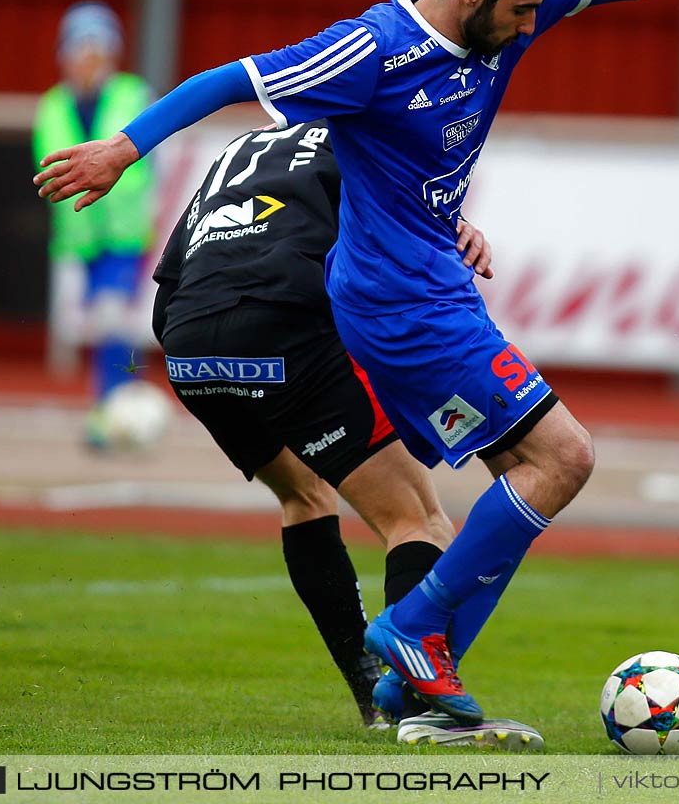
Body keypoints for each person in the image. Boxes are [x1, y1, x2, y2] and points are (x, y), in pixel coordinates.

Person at [36, 0, 679, 731]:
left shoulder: (519, 1)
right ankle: (411, 631)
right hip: (400, 302)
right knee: (564, 456)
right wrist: (124, 148)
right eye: (518, 12)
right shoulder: (370, 50)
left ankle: (417, 694)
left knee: (521, 474)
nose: (529, 28)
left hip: (424, 287)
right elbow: (229, 79)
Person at [150, 119, 540, 748]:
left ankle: (369, 691)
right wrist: (460, 232)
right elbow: (397, 254)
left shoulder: (244, 145)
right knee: (416, 518)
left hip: (188, 344)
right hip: (279, 323)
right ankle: (420, 705)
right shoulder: (368, 140)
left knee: (304, 495)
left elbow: (170, 283)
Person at [32, 1, 157, 443]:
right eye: (81, 49)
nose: (89, 59)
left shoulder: (132, 94)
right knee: (107, 324)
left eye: (98, 49)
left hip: (125, 236)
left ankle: (110, 408)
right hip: (83, 238)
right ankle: (120, 401)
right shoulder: (52, 106)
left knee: (111, 317)